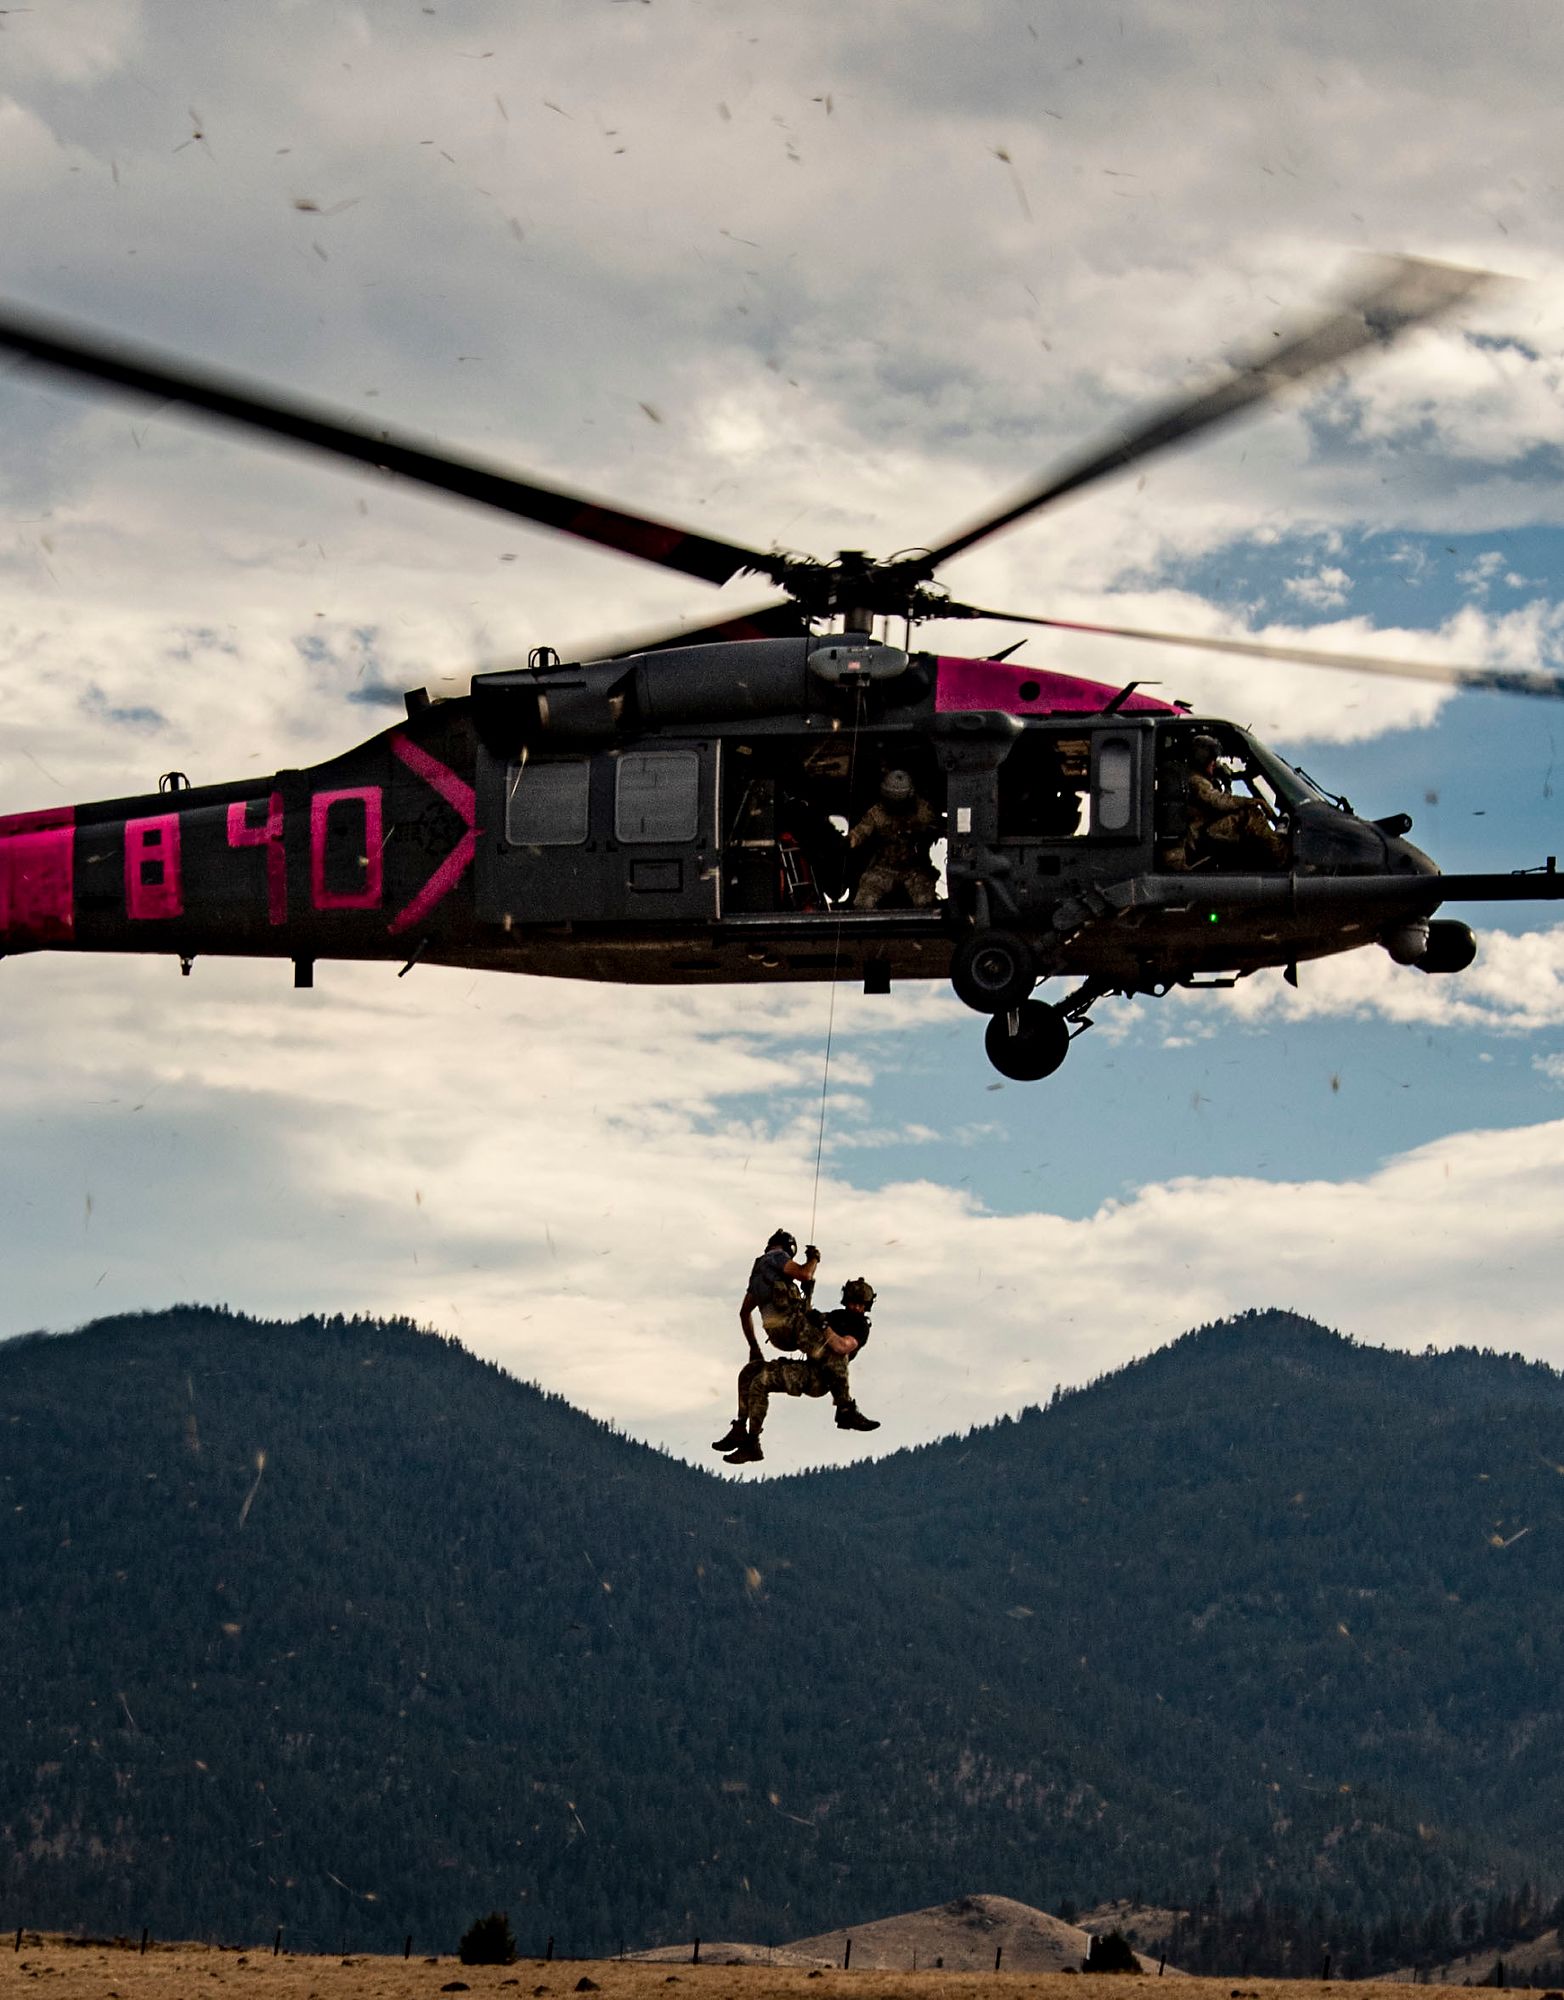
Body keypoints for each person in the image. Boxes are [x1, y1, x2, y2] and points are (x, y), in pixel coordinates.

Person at [719, 1277, 881, 1467]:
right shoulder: (837, 1316)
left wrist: (823, 1325)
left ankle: (845, 1408)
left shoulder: (861, 1327)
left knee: (836, 1354)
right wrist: (809, 1303)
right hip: (807, 1368)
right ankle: (745, 1434)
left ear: (866, 1306)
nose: (855, 1307)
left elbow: (842, 1346)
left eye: (860, 1304)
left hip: (820, 1378)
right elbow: (811, 1320)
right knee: (753, 1374)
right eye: (853, 1302)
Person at [711, 1228, 820, 1455]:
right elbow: (804, 1274)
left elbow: (744, 1312)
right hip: (792, 1331)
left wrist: (754, 1347)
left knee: (748, 1374)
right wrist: (813, 1259)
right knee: (824, 1323)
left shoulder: (758, 1271)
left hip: (778, 1335)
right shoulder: (778, 1257)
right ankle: (842, 1397)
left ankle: (741, 1427)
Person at [1177, 734, 1288, 868]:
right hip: (1200, 834)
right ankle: (1281, 856)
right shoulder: (1195, 780)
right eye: (1212, 759)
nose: (1215, 763)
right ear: (1202, 758)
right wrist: (1255, 802)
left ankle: (1274, 847)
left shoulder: (1200, 780)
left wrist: (1226, 783)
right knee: (1250, 814)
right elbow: (1219, 802)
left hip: (1205, 829)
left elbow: (1219, 802)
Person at [849, 770, 942, 908]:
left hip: (914, 869)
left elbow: (939, 828)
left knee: (926, 902)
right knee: (864, 901)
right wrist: (848, 842)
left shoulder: (923, 811)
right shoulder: (877, 813)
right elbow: (860, 832)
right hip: (884, 868)